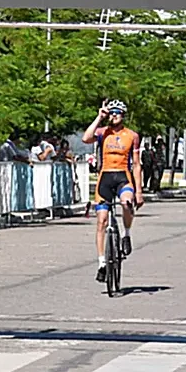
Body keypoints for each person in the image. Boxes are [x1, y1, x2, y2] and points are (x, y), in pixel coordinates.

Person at [82, 99, 143, 283]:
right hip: (105, 178)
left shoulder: (132, 136)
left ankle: (126, 234)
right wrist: (99, 117)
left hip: (123, 177)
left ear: (123, 115)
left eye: (117, 112)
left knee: (126, 202)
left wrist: (139, 191)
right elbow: (85, 138)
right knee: (101, 221)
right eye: (111, 112)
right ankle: (102, 263)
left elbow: (137, 165)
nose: (114, 115)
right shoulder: (102, 133)